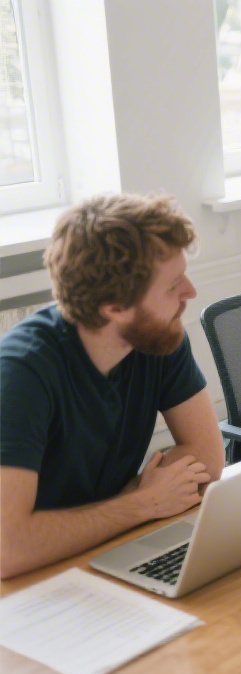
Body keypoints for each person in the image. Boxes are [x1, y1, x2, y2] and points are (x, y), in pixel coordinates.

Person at [0, 194, 224, 578]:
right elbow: (9, 548)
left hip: (103, 550)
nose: (190, 292)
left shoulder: (158, 335)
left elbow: (207, 459)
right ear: (114, 307)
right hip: (29, 586)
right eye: (172, 286)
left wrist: (127, 507)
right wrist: (142, 503)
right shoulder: (21, 374)